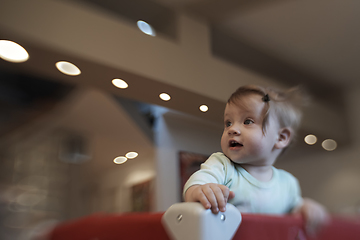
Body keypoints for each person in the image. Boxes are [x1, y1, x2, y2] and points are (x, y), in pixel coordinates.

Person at [183, 85, 329, 235]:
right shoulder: (222, 166)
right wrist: (199, 190)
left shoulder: (288, 183)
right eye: (228, 122)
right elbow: (196, 185)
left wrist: (305, 207)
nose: (232, 129)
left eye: (247, 121)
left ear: (281, 137)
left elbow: (294, 214)